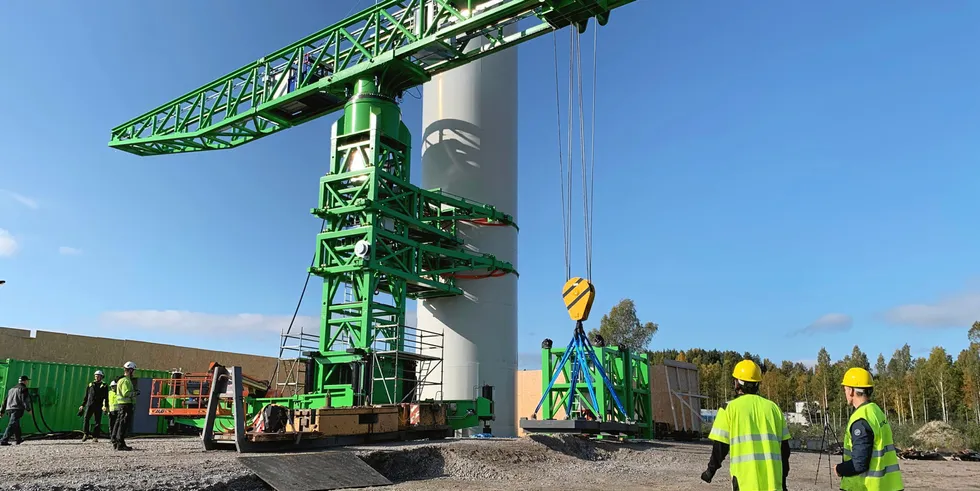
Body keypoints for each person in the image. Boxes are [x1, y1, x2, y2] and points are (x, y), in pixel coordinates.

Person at [702, 359, 791, 491]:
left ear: (738, 383)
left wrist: (710, 472)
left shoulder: (729, 409)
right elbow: (785, 450)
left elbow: (720, 448)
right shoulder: (773, 409)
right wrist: (782, 480)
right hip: (773, 483)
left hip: (744, 483)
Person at [836, 367, 905, 490]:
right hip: (888, 486)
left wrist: (839, 469)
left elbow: (859, 464)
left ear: (851, 391)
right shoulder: (876, 411)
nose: (845, 393)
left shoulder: (860, 419)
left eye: (845, 389)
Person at [1, 375, 33, 446]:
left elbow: (5, 401)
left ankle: (18, 439)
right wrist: (28, 409)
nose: (27, 382)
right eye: (27, 381)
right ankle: (4, 440)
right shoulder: (24, 389)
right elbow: (24, 400)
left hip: (9, 409)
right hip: (17, 409)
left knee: (16, 424)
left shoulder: (11, 389)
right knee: (12, 424)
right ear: (25, 381)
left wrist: (2, 411)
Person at [113, 361, 138, 451]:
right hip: (125, 405)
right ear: (130, 370)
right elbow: (126, 393)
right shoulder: (125, 380)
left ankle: (117, 442)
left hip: (122, 405)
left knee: (119, 423)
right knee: (123, 424)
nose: (133, 372)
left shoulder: (121, 380)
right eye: (133, 370)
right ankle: (120, 444)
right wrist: (135, 393)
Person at [80, 370, 110, 442]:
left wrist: (106, 406)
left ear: (101, 377)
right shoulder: (90, 384)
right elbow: (86, 396)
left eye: (98, 376)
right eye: (96, 376)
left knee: (97, 421)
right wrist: (82, 405)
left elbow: (106, 397)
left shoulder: (104, 385)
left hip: (98, 406)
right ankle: (86, 434)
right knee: (86, 418)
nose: (96, 377)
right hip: (90, 405)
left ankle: (95, 436)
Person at [107, 380, 119, 446]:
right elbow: (106, 401)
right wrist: (105, 407)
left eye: (114, 386)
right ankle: (112, 438)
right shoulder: (109, 393)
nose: (113, 388)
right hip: (111, 411)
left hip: (118, 411)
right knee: (111, 425)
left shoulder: (119, 393)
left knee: (117, 425)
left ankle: (116, 438)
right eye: (112, 387)